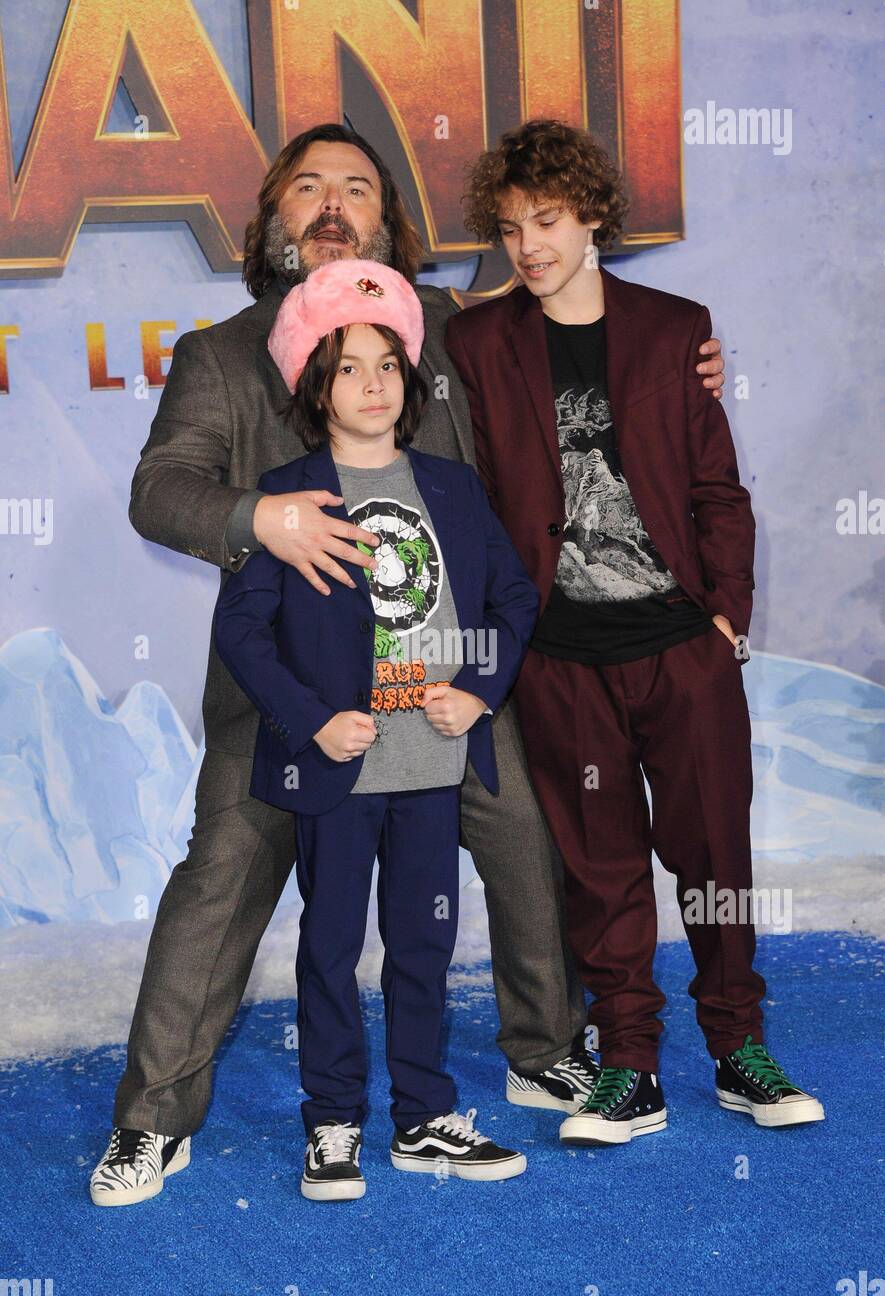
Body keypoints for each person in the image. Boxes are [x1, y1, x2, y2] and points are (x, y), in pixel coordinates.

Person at [90, 124, 726, 1207]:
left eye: (358, 189)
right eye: (308, 189)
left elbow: (579, 351)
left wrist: (676, 358)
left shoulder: (457, 332)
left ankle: (540, 1048)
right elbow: (161, 490)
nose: (333, 205)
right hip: (289, 701)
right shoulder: (219, 354)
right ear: (272, 219)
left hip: (444, 691)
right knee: (220, 876)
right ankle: (154, 1119)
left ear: (392, 226)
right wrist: (262, 514)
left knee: (526, 827)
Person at [444, 118, 825, 1147]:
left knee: (713, 855)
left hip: (679, 649)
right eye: (513, 226)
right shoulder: (479, 339)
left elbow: (716, 487)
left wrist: (726, 619)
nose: (530, 246)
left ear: (595, 214)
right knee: (600, 872)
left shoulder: (673, 329)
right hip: (561, 659)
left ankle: (740, 1050)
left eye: (550, 220)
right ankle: (631, 1067)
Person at [212, 258, 539, 1198]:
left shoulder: (452, 485)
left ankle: (425, 1115)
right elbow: (241, 630)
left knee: (424, 944)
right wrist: (312, 723)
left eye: (387, 365)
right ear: (316, 389)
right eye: (348, 367)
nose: (371, 384)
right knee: (329, 945)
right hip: (340, 769)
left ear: (412, 380)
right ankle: (331, 1122)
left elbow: (513, 598)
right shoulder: (288, 495)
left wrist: (477, 690)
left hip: (430, 761)